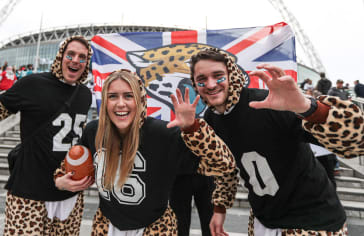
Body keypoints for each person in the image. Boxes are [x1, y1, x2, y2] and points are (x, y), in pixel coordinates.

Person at [183, 48, 363, 235]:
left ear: (232, 76)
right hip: (263, 220)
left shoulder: (268, 103)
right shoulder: (213, 118)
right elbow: (225, 167)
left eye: (218, 76)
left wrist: (307, 107)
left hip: (313, 223)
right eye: (202, 79)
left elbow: (356, 142)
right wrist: (219, 209)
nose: (211, 85)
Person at [54, 70, 238, 235]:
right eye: (112, 96)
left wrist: (194, 130)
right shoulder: (94, 131)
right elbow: (68, 168)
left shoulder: (163, 133)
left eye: (128, 96)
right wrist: (61, 180)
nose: (120, 104)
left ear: (140, 99)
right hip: (106, 226)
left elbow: (224, 164)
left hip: (154, 227)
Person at [0, 35, 95, 235]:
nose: (76, 60)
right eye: (71, 54)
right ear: (60, 56)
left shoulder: (85, 95)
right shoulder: (33, 84)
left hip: (69, 195)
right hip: (30, 192)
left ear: (87, 63)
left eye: (82, 57)